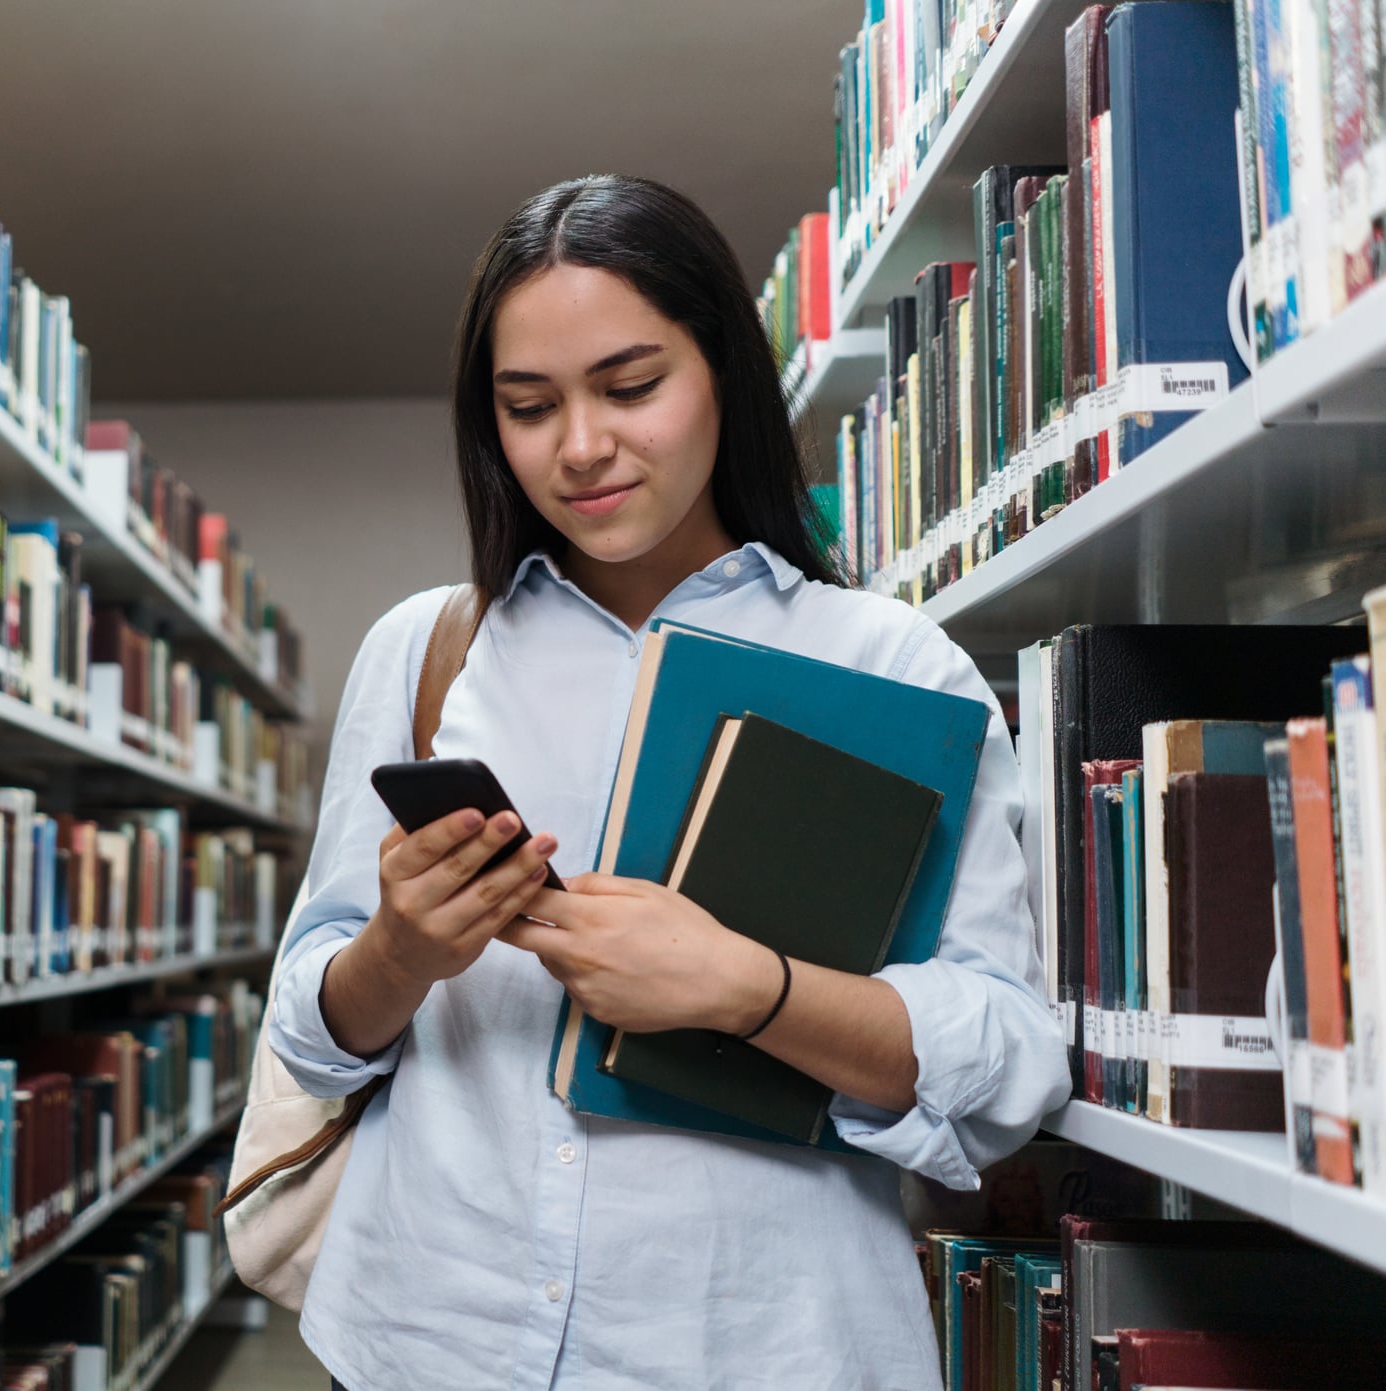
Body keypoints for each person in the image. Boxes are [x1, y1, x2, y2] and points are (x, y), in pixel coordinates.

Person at [265, 175, 1069, 1390]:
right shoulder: (427, 651)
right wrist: (398, 949)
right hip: (427, 1338)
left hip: (749, 1349)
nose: (579, 447)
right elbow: (310, 1031)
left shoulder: (888, 664)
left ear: (723, 375)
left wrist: (745, 987)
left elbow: (1008, 1065)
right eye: (526, 406)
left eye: (630, 387)